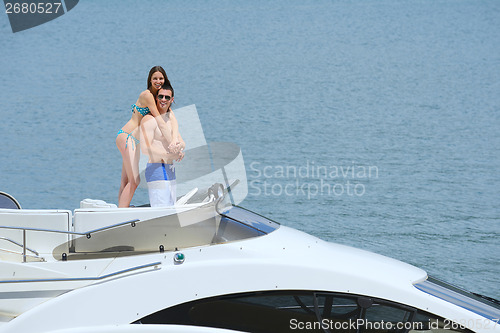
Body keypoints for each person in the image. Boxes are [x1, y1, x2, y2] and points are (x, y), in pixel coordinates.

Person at [116, 66, 181, 207]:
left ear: (165, 79)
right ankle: (121, 212)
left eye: (161, 78)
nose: (158, 81)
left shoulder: (160, 96)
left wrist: (175, 141)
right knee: (134, 181)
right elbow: (160, 122)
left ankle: (119, 208)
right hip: (127, 137)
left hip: (134, 140)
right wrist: (173, 148)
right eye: (155, 78)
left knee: (125, 180)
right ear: (150, 80)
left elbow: (173, 119)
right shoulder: (148, 96)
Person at [140, 84, 185, 207]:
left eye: (167, 97)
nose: (163, 99)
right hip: (157, 169)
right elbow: (145, 148)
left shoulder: (170, 120)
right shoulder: (149, 119)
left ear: (172, 100)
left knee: (170, 209)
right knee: (161, 211)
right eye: (160, 96)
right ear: (156, 98)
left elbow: (182, 142)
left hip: (170, 169)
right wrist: (168, 154)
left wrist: (178, 148)